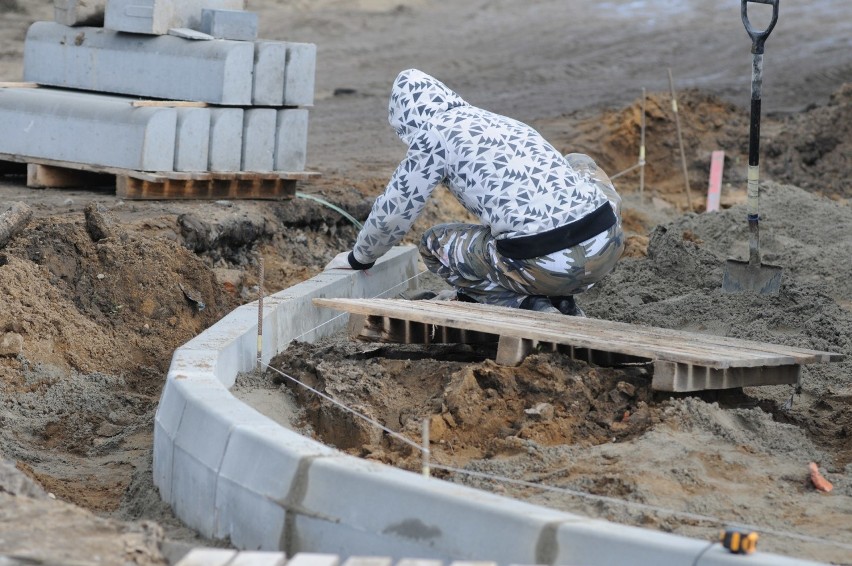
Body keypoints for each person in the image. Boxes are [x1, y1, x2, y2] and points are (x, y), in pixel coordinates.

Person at [325, 69, 624, 316]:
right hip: (607, 247)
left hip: (543, 264)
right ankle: (561, 295)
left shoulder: (432, 134)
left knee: (433, 244)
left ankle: (525, 304)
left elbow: (396, 210)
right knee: (577, 163)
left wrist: (359, 259)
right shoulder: (503, 123)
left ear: (406, 121)